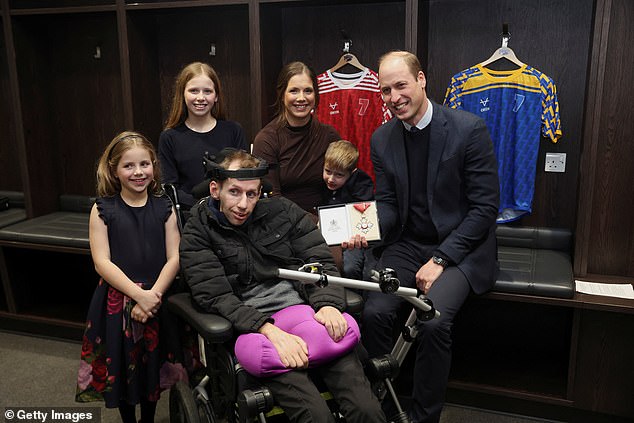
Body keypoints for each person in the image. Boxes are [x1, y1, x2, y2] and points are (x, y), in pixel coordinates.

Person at [346, 50, 500, 423]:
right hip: (408, 243)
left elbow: (485, 209)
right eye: (385, 90)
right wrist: (363, 228)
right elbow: (387, 204)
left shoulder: (467, 129)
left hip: (462, 248)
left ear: (421, 80)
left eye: (401, 85)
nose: (394, 97)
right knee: (376, 312)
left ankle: (423, 417)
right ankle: (384, 408)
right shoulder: (382, 138)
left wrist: (441, 259)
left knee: (432, 321)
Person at [179, 148, 386, 423]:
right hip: (256, 329)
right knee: (317, 417)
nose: (243, 204)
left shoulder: (283, 211)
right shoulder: (198, 231)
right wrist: (268, 330)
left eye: (251, 194)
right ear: (216, 189)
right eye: (235, 192)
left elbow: (319, 259)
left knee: (368, 411)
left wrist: (327, 304)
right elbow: (215, 295)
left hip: (307, 312)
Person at [76, 132, 185, 423]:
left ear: (154, 166)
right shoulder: (102, 209)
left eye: (144, 164)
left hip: (157, 300)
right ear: (114, 169)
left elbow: (174, 257)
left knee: (152, 366)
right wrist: (139, 296)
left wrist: (153, 296)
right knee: (124, 367)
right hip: (117, 303)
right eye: (128, 166)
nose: (138, 172)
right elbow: (102, 262)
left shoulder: (164, 207)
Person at [159, 61, 247, 215]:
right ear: (182, 95)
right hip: (189, 216)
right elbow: (170, 188)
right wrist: (201, 205)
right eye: (193, 91)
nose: (201, 97)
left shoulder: (233, 131)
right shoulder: (169, 137)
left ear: (216, 96)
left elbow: (244, 176)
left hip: (231, 214)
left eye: (207, 91)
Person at [252, 61, 340, 214]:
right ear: (282, 95)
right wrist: (315, 225)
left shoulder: (330, 136)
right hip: (284, 225)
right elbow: (272, 201)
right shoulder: (267, 140)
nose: (301, 98)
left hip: (329, 223)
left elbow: (343, 188)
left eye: (308, 91)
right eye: (293, 91)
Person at [321, 140, 375, 280]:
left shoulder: (362, 186)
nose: (331, 179)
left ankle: (357, 297)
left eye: (339, 175)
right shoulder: (322, 184)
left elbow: (365, 218)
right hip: (330, 236)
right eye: (328, 171)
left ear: (352, 173)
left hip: (354, 239)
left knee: (350, 267)